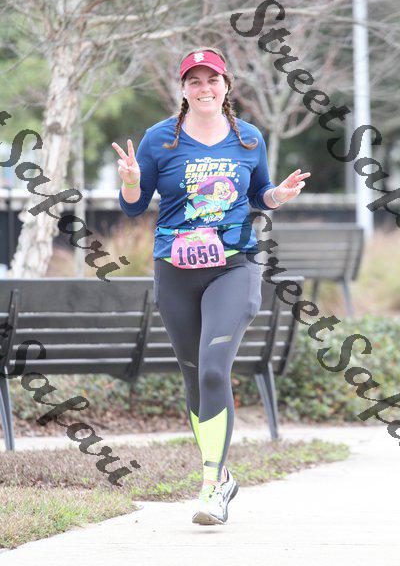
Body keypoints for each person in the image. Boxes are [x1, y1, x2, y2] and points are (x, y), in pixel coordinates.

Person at [113, 47, 310, 526]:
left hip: (234, 266)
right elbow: (134, 207)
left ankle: (209, 488)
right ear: (183, 89)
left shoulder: (248, 137)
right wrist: (132, 182)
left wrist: (278, 196)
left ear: (226, 85)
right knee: (194, 376)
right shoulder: (160, 138)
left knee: (214, 371)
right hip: (175, 269)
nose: (204, 88)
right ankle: (222, 476)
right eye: (194, 81)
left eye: (212, 80)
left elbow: (259, 192)